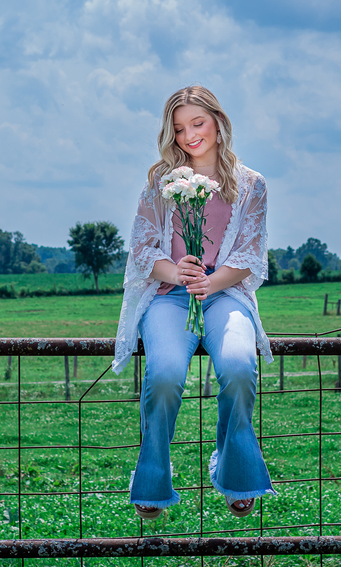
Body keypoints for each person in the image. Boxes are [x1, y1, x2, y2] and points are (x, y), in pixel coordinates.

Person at [113, 85, 275, 520]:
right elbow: (143, 249)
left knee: (239, 366)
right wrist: (176, 272)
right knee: (164, 373)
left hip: (225, 292)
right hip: (168, 297)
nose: (189, 136)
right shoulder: (160, 182)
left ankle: (233, 467)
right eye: (179, 128)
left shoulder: (251, 185)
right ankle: (152, 474)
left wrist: (210, 282)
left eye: (197, 123)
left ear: (219, 124)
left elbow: (250, 254)